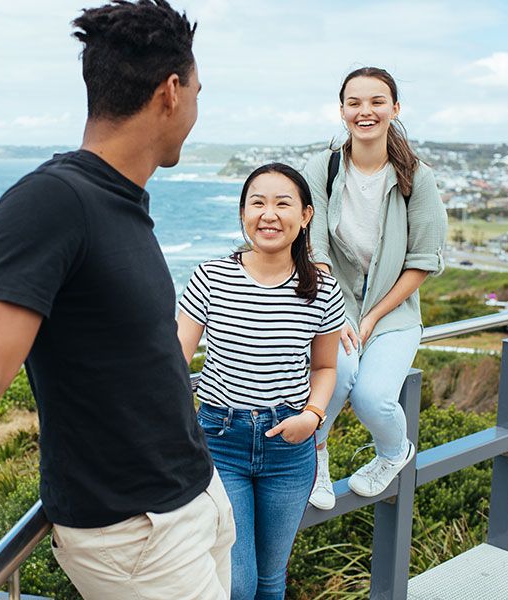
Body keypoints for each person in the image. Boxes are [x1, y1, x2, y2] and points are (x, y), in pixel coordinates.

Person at [0, 2, 236, 599]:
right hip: (138, 536)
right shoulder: (51, 203)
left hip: (193, 501)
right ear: (170, 92)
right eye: (197, 90)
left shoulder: (121, 203)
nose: (196, 108)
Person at [177, 163, 345, 599]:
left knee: (271, 579)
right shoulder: (211, 277)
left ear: (306, 216)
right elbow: (173, 362)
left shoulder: (322, 289)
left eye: (282, 203)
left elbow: (325, 368)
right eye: (258, 203)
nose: (269, 214)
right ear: (243, 213)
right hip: (220, 439)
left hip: (289, 443)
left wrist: (313, 416)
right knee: (238, 581)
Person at [303, 67, 448, 511]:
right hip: (334, 305)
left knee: (371, 397)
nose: (365, 111)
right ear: (342, 109)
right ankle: (317, 458)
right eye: (355, 103)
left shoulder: (416, 177)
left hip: (395, 313)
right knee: (337, 375)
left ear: (394, 109)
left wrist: (370, 318)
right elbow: (316, 244)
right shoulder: (323, 167)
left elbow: (423, 261)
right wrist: (339, 313)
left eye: (377, 101)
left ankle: (393, 453)